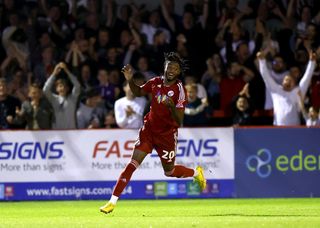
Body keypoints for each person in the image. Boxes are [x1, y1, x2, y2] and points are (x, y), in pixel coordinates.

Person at [100, 52, 206, 214]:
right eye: (169, 66)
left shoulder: (180, 90)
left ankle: (195, 173)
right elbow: (138, 92)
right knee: (132, 164)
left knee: (169, 172)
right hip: (148, 130)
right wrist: (130, 79)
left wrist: (171, 106)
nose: (171, 69)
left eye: (175, 68)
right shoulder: (155, 82)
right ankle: (112, 202)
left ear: (178, 72)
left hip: (167, 135)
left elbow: (178, 121)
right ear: (164, 67)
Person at [257, 51, 317, 125]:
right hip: (278, 127)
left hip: (295, 128)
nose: (288, 81)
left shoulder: (297, 91)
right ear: (282, 82)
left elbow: (307, 78)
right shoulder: (276, 90)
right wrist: (262, 61)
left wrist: (312, 62)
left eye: (290, 80)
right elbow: (265, 76)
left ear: (294, 84)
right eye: (286, 79)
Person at [43, 62, 81, 129]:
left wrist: (67, 71)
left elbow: (77, 85)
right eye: (60, 86)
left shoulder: (73, 98)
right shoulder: (54, 99)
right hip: (58, 133)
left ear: (68, 89)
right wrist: (54, 74)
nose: (62, 88)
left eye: (64, 86)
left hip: (72, 132)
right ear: (56, 89)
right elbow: (45, 90)